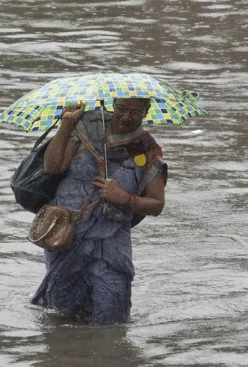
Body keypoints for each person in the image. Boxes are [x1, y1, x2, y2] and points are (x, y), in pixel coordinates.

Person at [30, 98, 167, 325]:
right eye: (121, 109)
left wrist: (124, 198)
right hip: (67, 235)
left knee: (111, 318)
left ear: (147, 111)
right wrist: (67, 124)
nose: (125, 117)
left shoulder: (147, 149)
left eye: (135, 112)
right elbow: (52, 167)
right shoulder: (88, 126)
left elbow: (157, 204)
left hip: (112, 242)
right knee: (61, 315)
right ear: (113, 103)